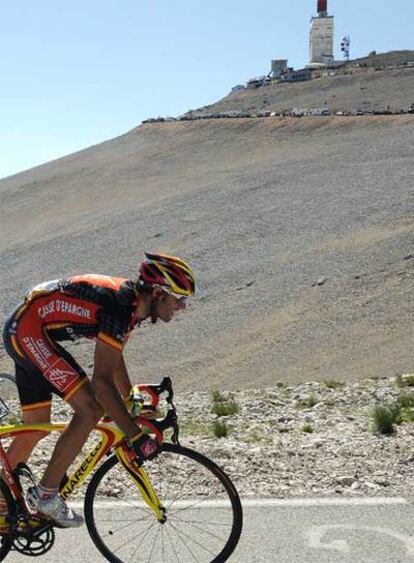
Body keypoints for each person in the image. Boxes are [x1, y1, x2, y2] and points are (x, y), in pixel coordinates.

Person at [2, 252, 195, 527]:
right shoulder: (120, 306)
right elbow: (102, 384)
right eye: (180, 298)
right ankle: (45, 495)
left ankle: (1, 502)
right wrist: (135, 435)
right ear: (159, 293)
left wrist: (130, 399)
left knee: (37, 426)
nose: (183, 306)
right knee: (91, 408)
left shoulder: (130, 306)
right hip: (28, 331)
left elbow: (112, 359)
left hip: (27, 328)